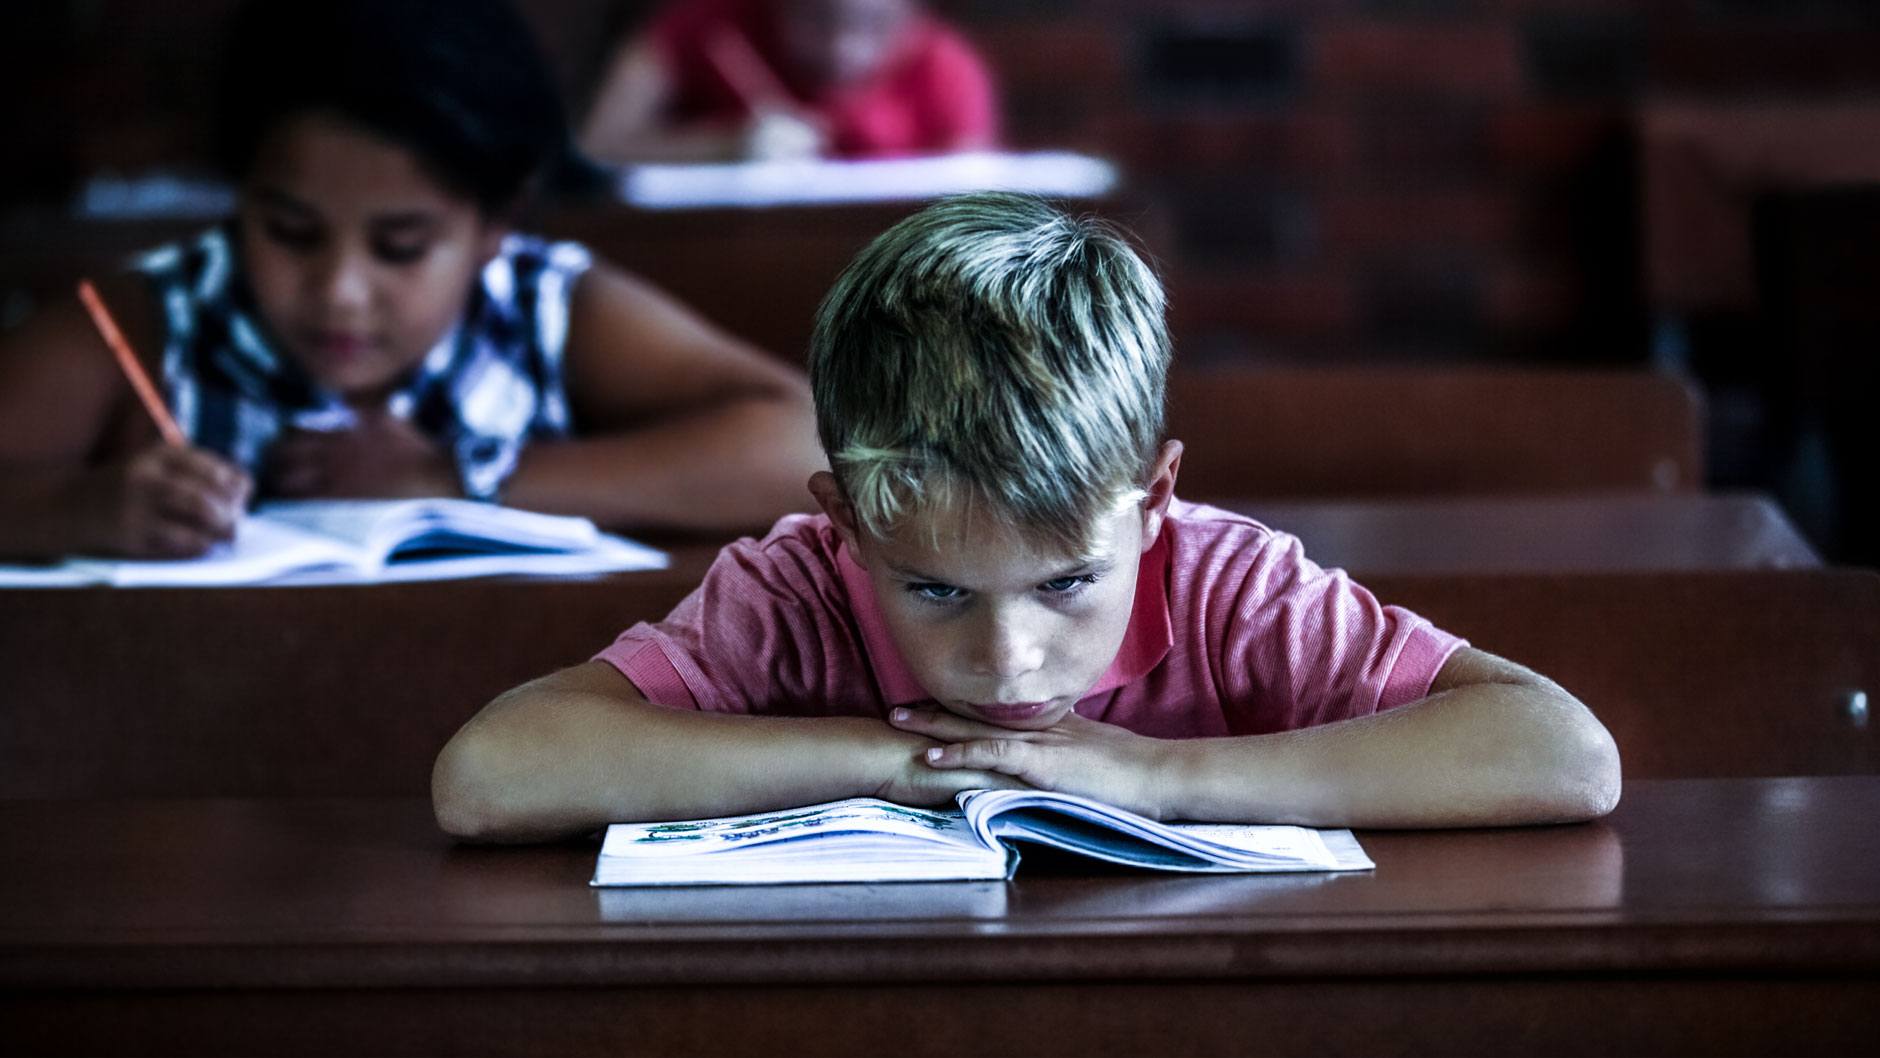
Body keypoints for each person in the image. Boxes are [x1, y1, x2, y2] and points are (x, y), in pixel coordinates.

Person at [432, 193, 1621, 843]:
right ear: (843, 520)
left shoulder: (1227, 583)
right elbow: (488, 776)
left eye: (1064, 584)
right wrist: (902, 766)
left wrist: (1157, 780)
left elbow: (1561, 752)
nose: (1007, 664)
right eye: (935, 590)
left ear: (1151, 501)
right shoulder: (794, 589)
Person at [0, 0, 823, 561]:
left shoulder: (541, 308)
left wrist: (455, 479)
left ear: (491, 229)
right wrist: (77, 508)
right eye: (290, 232)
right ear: (239, 195)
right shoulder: (150, 319)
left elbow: (812, 448)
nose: (339, 292)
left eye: (401, 245)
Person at [580, 0, 998, 163]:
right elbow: (592, 147)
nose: (843, 50)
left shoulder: (946, 63)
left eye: (874, 25)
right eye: (817, 18)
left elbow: (973, 193)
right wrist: (722, 147)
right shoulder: (704, 27)